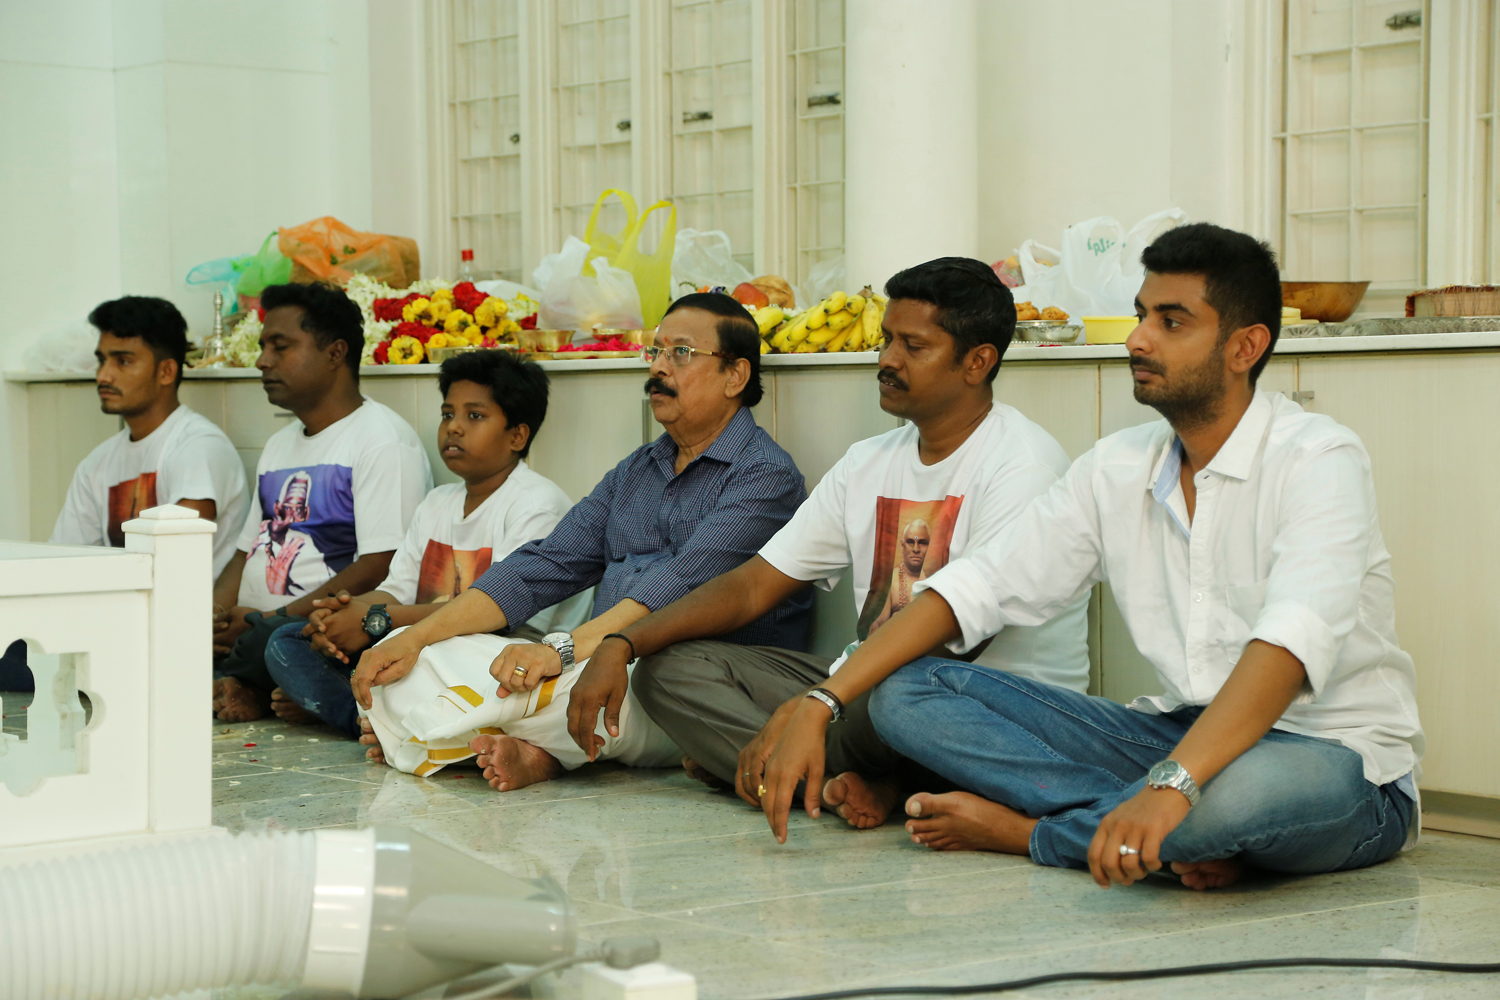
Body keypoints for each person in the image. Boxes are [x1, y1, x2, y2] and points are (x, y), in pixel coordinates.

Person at [765, 224, 1423, 892]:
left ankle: (1037, 832)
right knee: (904, 692)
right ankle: (1157, 828)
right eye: (1141, 316)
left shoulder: (1319, 458)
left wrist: (1173, 785)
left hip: (1331, 756)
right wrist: (822, 701)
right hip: (1171, 736)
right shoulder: (1117, 466)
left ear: (1244, 347)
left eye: (1171, 322)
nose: (1138, 339)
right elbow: (977, 587)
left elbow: (1289, 644)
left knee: (1233, 798)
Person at [582, 257, 1091, 832]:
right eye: (887, 339)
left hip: (983, 704)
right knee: (668, 668)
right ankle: (832, 781)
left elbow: (956, 641)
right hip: (867, 689)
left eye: (913, 347)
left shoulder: (1022, 465)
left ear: (978, 362)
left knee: (897, 697)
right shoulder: (869, 460)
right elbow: (754, 585)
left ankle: (792, 765)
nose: (888, 359)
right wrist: (624, 641)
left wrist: (822, 701)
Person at [350, 292, 812, 792]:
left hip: (676, 685)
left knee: (598, 683)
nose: (658, 367)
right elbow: (543, 565)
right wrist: (417, 638)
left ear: (735, 376)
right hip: (591, 665)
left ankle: (432, 734)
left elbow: (678, 587)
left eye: (681, 353)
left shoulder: (765, 476)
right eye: (655, 351)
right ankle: (502, 740)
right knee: (404, 650)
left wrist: (562, 652)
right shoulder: (637, 470)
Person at [261, 349, 577, 736]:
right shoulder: (437, 502)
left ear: (517, 435)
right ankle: (377, 716)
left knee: (431, 660)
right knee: (291, 639)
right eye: (447, 414)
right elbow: (397, 590)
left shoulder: (536, 505)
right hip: (423, 647)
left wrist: (373, 620)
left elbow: (502, 622)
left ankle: (369, 720)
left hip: (502, 659)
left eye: (474, 416)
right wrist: (343, 614)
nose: (454, 428)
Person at [212, 282, 432, 722]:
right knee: (180, 631)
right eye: (263, 346)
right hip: (256, 625)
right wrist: (213, 617)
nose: (262, 360)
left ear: (335, 353)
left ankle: (249, 685)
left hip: (317, 630)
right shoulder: (278, 444)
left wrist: (266, 618)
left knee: (277, 642)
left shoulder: (382, 440)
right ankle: (245, 682)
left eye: (280, 346)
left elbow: (380, 565)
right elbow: (245, 550)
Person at [50, 296, 247, 575]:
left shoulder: (199, 447)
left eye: (123, 361)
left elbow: (175, 562)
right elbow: (65, 563)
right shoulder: (96, 464)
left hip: (187, 602)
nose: (104, 376)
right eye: (102, 360)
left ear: (166, 371)